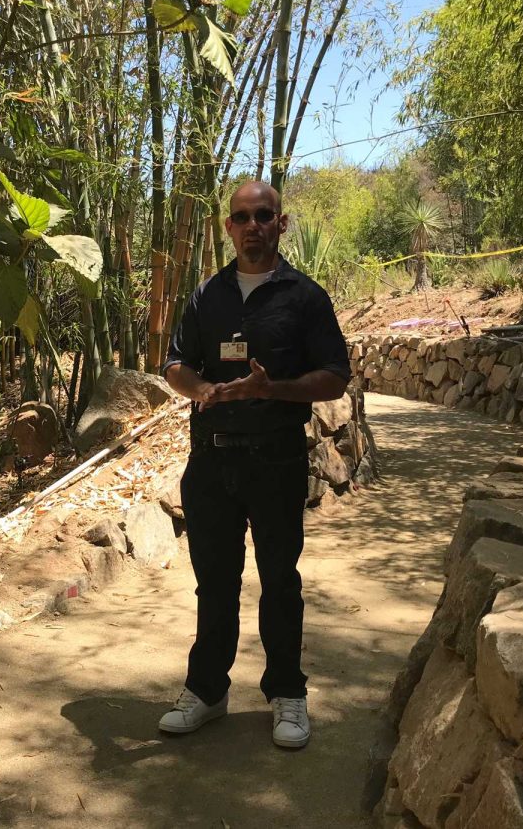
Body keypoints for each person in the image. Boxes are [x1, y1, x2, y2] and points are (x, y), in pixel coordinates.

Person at [158, 180, 351, 749]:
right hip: (212, 463)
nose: (252, 226)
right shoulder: (207, 296)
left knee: (279, 582)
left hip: (276, 461)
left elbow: (335, 375)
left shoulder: (304, 297)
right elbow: (174, 363)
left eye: (263, 215)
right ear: (229, 228)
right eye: (241, 217)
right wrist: (201, 391)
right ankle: (208, 692)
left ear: (280, 223)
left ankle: (288, 694)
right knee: (214, 584)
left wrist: (278, 390)